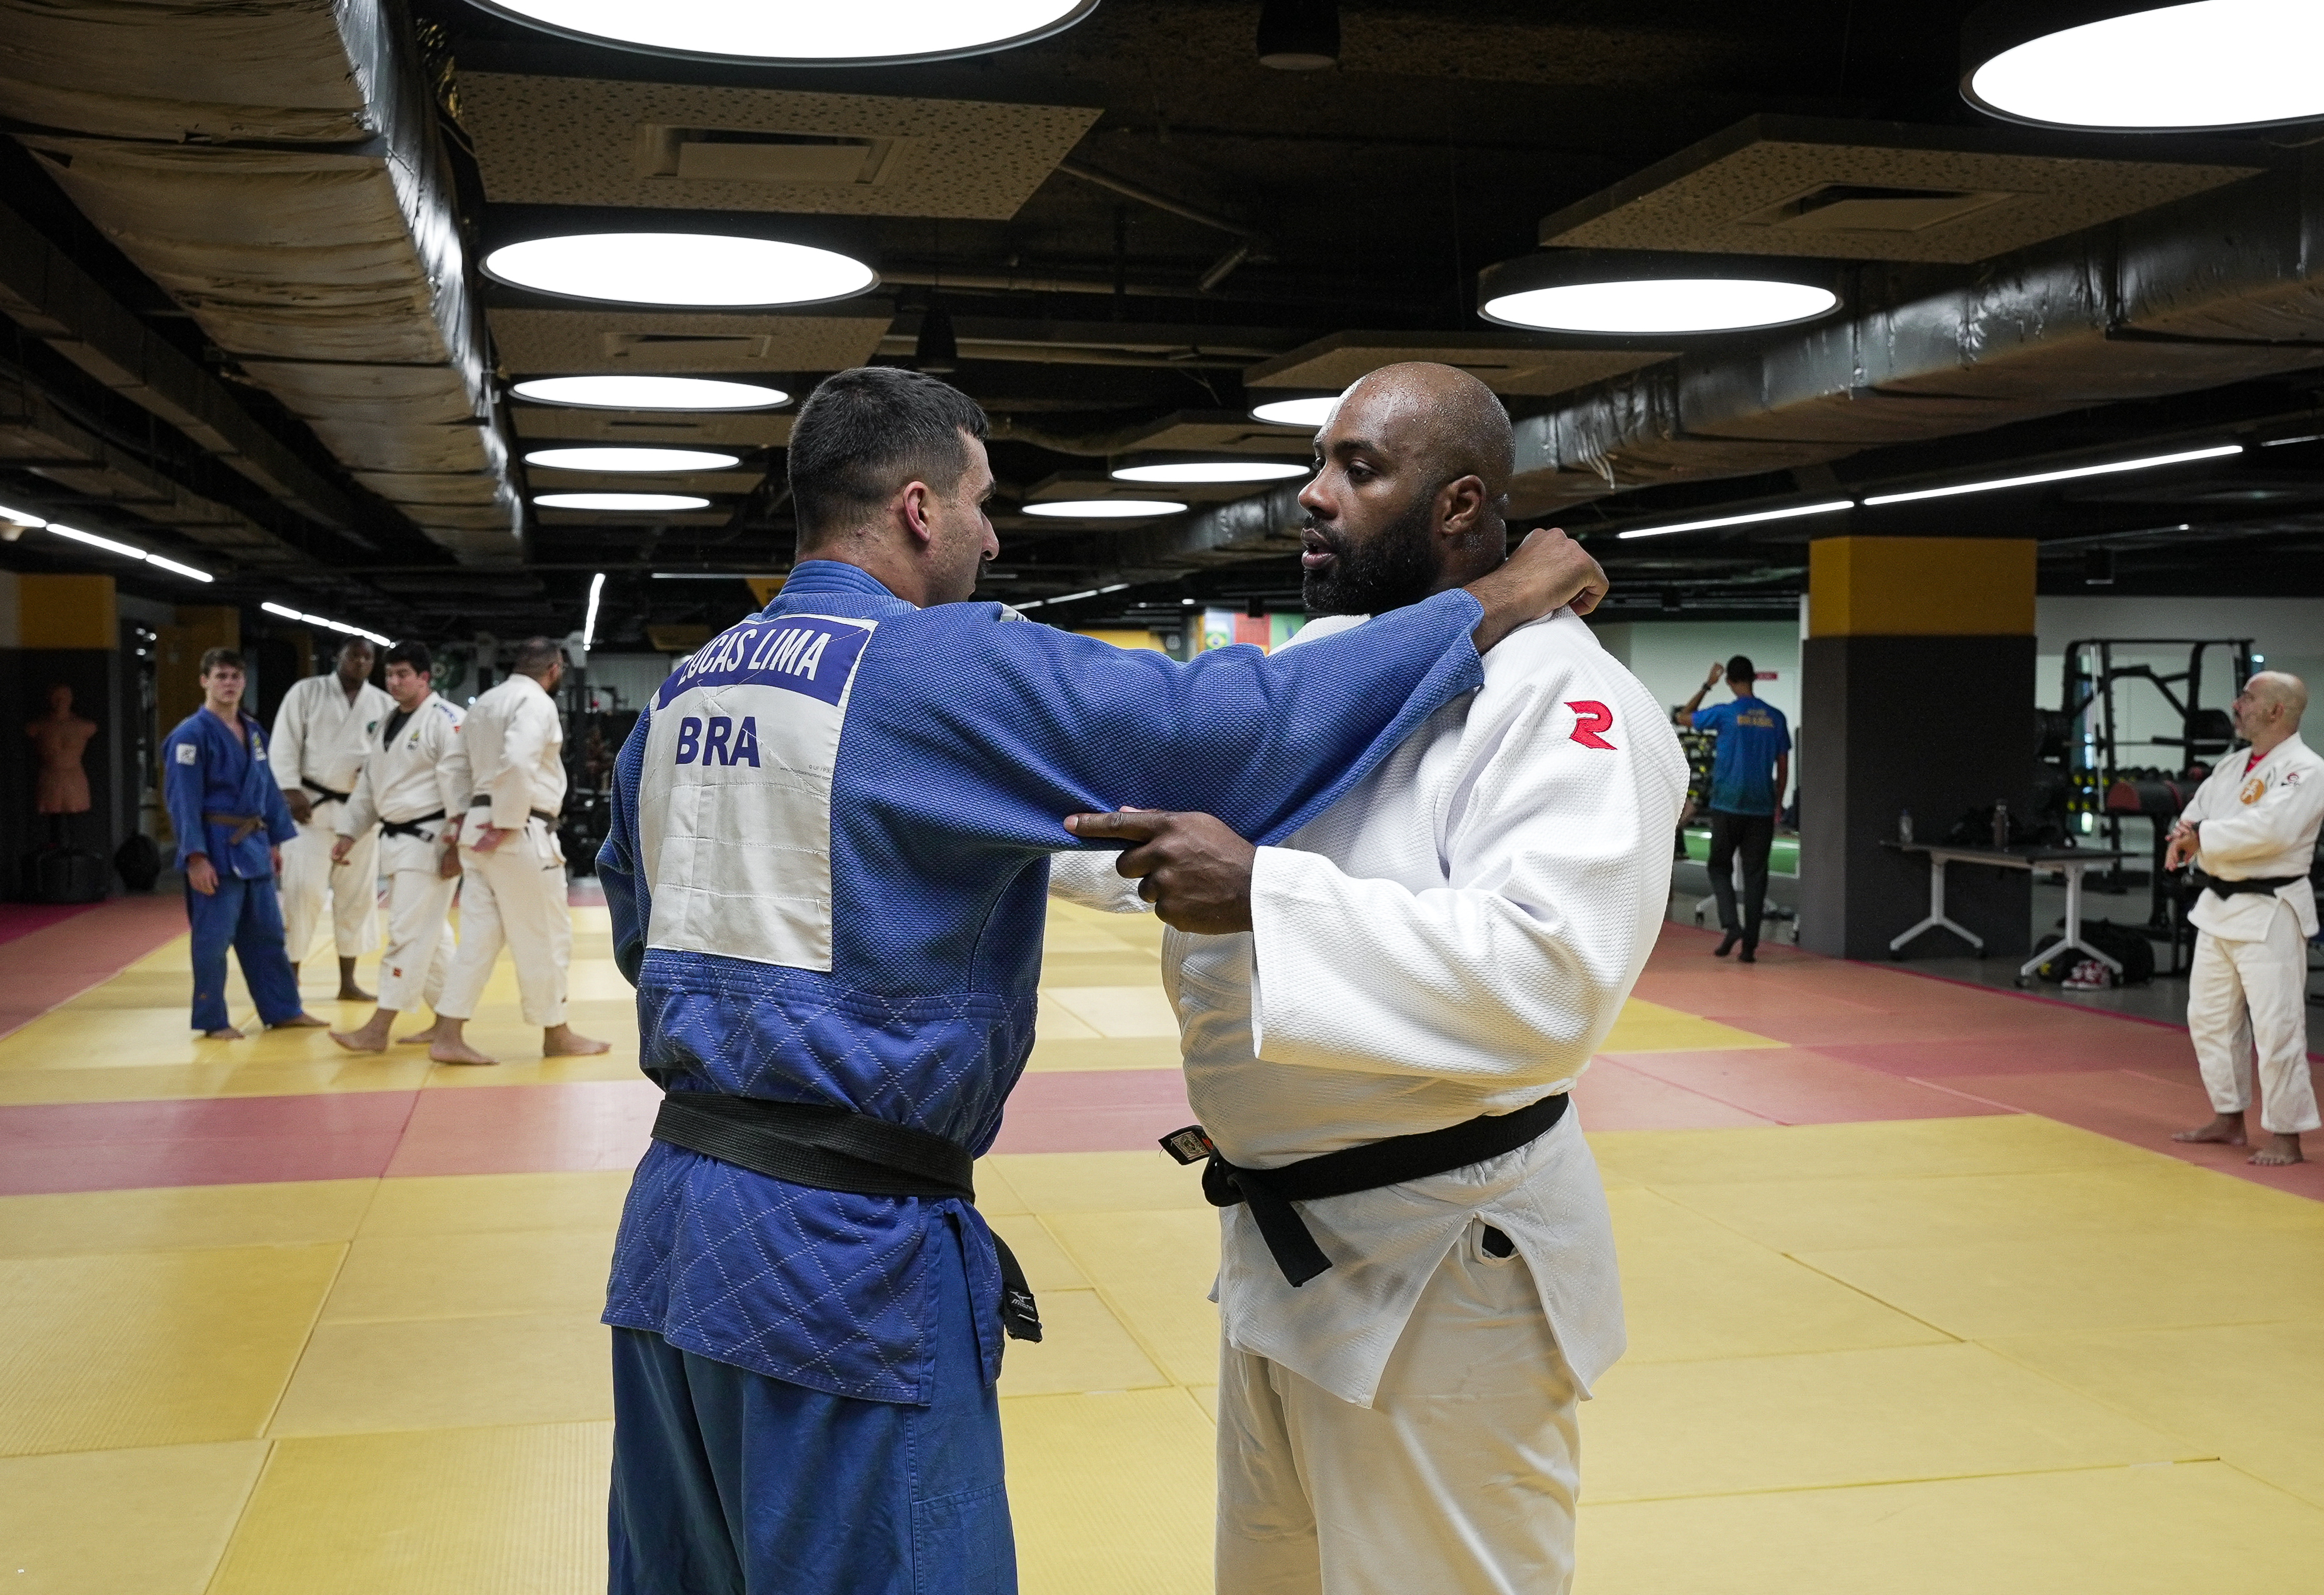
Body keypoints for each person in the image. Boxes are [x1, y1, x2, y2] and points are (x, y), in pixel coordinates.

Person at [592, 364, 1606, 1595]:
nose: (992, 531)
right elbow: (1217, 734)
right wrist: (1493, 600)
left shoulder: (688, 691)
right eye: (979, 501)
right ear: (918, 510)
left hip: (672, 1232)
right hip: (835, 1257)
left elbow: (643, 936)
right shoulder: (932, 667)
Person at [1058, 363, 1685, 1595]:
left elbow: (1550, 978)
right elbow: (1186, 813)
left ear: (1459, 504)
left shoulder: (1564, 698)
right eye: (1318, 462)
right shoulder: (1342, 667)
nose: (1313, 495)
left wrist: (1262, 894)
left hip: (1444, 1262)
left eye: (1358, 467)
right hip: (1287, 1257)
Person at [427, 637, 608, 1066]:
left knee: (479, 938)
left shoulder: (485, 702)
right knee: (546, 935)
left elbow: (452, 767)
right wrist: (505, 822)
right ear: (555, 667)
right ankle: (556, 1033)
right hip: (517, 830)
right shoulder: (537, 703)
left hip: (478, 828)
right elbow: (519, 756)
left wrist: (460, 821)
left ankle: (448, 1033)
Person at [2167, 671, 2322, 1166]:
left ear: (2277, 710)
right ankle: (2229, 1116)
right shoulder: (2233, 765)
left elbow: (2272, 830)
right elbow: (2196, 812)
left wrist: (2204, 835)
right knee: (2209, 1019)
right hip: (2218, 907)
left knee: (2278, 1029)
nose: (2237, 705)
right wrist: (2184, 835)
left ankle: (2286, 1134)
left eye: (2248, 698)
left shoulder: (2307, 769)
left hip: (2271, 910)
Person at [161, 648, 326, 1040]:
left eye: (235, 676)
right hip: (215, 848)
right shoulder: (189, 735)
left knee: (268, 933)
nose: (229, 683)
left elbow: (267, 788)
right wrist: (195, 856)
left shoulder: (253, 732)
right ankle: (212, 1018)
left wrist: (274, 840)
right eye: (220, 676)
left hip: (252, 846)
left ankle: (283, 1009)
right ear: (204, 680)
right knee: (213, 940)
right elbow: (182, 800)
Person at [328, 640, 471, 1053]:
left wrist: (456, 845)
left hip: (431, 843)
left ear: (426, 677)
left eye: (403, 674)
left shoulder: (447, 720)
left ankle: (378, 1028)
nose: (394, 681)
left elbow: (461, 788)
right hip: (397, 841)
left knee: (405, 934)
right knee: (433, 937)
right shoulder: (390, 719)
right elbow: (370, 786)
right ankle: (447, 1024)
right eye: (389, 674)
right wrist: (348, 833)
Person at [271, 636, 394, 999]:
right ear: (337, 656)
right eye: (353, 655)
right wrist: (289, 790)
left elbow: (389, 756)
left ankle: (349, 982)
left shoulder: (384, 703)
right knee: (302, 893)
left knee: (357, 897)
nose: (360, 662)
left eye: (367, 657)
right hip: (310, 809)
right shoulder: (306, 693)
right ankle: (290, 979)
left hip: (360, 814)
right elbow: (284, 743)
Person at [1677, 654, 1791, 960]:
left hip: (1727, 804)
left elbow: (1683, 717)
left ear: (1729, 682)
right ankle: (1750, 946)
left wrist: (1706, 686)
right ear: (1753, 678)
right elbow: (1783, 766)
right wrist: (1778, 803)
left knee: (1718, 867)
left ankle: (1732, 926)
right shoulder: (1776, 717)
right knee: (1756, 874)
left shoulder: (1726, 713)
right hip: (1761, 807)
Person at [26, 683, 98, 846]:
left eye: (64, 698)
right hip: (50, 776)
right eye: (56, 698)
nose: (60, 702)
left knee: (73, 819)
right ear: (49, 700)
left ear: (71, 699)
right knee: (54, 820)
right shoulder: (38, 726)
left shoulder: (84, 726)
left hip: (74, 777)